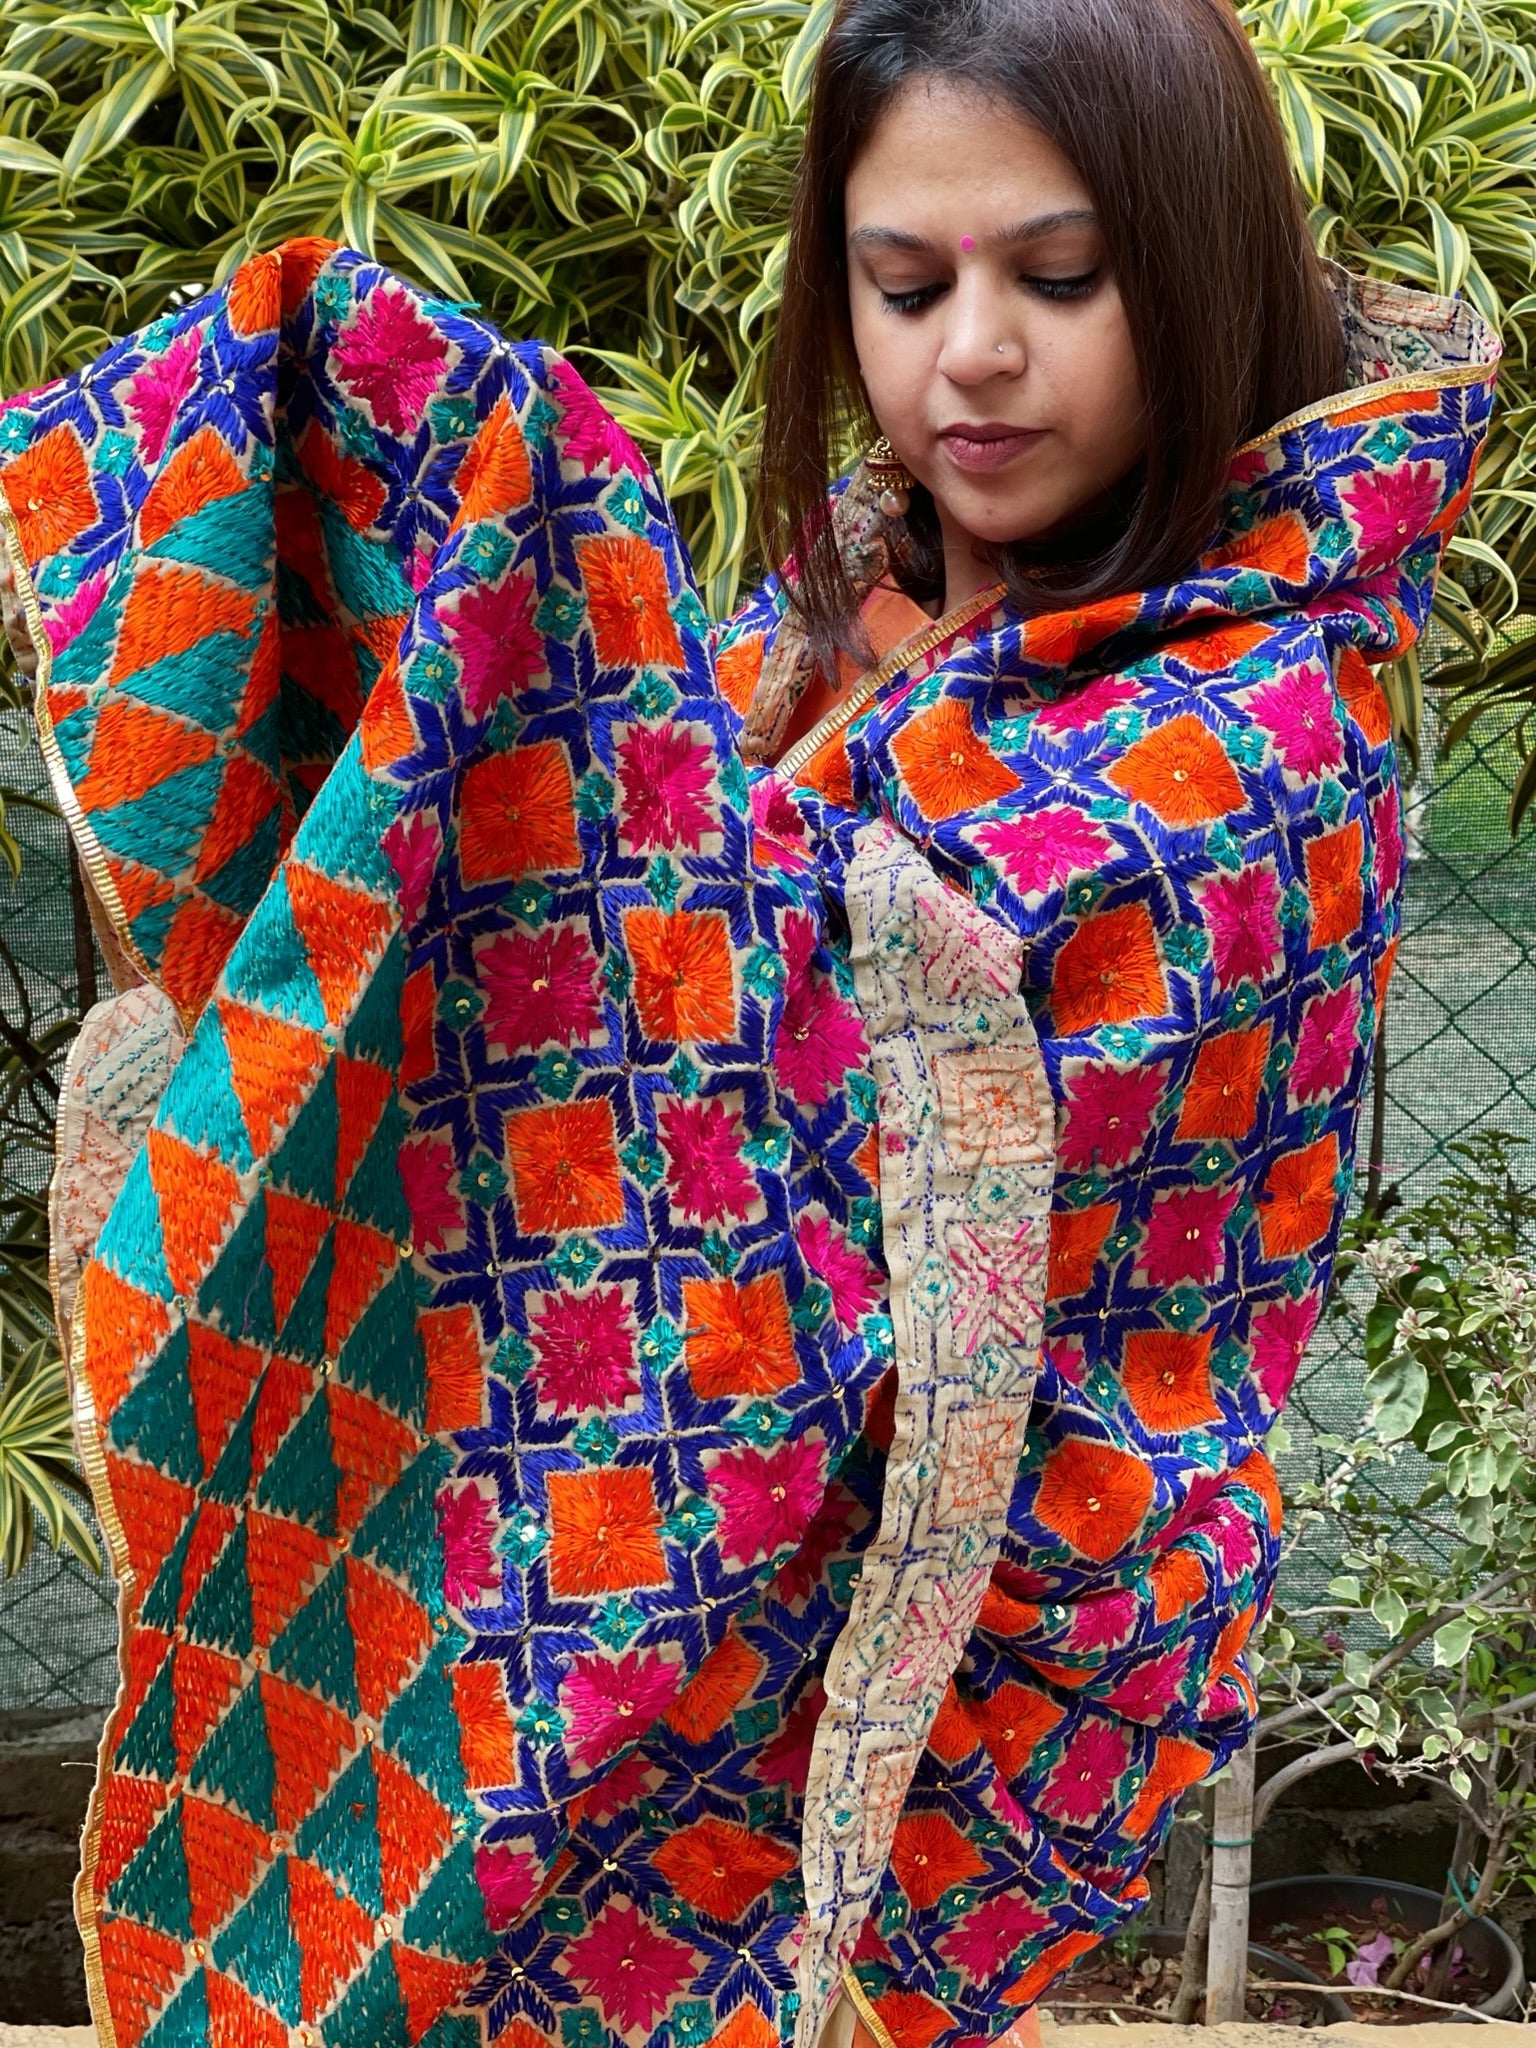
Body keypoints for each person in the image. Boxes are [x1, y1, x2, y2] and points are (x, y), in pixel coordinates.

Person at [0, 0, 1497, 2043]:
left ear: (1204, 271)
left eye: (1061, 278)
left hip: (949, 1674)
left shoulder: (1261, 739)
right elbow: (642, 949)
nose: (973, 354)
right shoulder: (860, 599)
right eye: (906, 286)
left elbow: (766, 1068)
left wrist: (532, 549)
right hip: (690, 1556)